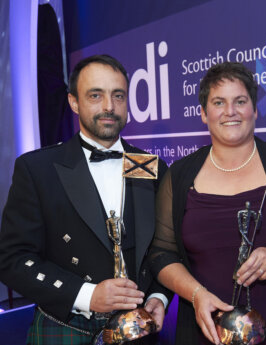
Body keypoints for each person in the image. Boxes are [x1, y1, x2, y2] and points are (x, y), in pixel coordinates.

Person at [147, 61, 266, 345]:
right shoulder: (179, 175)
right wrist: (196, 295)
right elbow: (162, 253)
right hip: (206, 331)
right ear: (203, 113)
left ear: (254, 109)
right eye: (219, 102)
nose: (230, 112)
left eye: (240, 101)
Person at [0, 55, 170, 344]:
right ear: (74, 102)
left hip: (138, 331)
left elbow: (165, 246)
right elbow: (12, 259)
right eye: (96, 95)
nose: (109, 106)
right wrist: (87, 295)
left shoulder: (150, 166)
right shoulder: (37, 169)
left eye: (118, 95)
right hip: (65, 327)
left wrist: (159, 295)